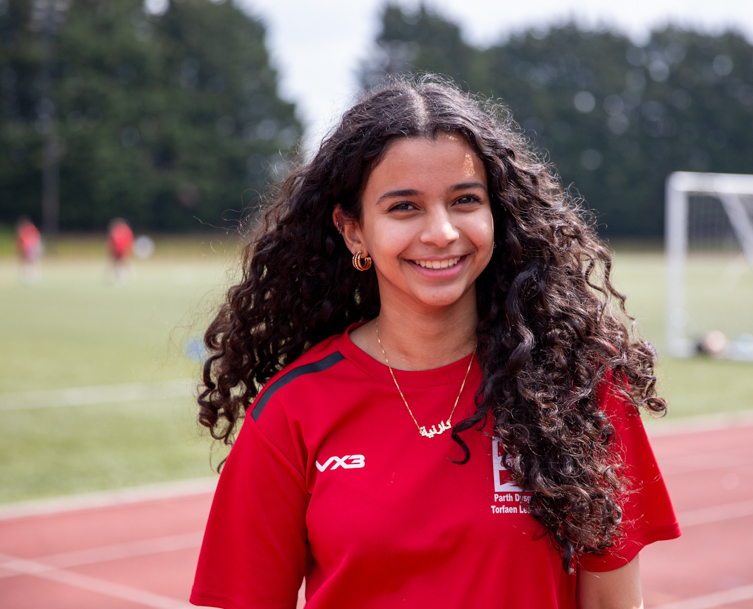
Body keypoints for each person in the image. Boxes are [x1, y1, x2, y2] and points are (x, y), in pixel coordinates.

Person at [191, 76, 679, 609]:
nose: (442, 232)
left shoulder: (578, 389)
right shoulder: (292, 409)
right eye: (405, 207)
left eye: (465, 200)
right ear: (354, 231)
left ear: (497, 213)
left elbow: (610, 604)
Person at [106, 217, 134, 284]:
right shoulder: (126, 229)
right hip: (121, 249)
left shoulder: (116, 231)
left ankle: (127, 275)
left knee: (121, 263)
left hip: (121, 249)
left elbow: (111, 243)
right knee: (122, 262)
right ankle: (126, 275)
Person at [15, 217, 42, 285]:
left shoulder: (27, 229)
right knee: (29, 262)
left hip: (30, 247)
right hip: (28, 247)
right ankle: (28, 275)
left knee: (30, 262)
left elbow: (36, 238)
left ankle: (31, 275)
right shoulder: (28, 229)